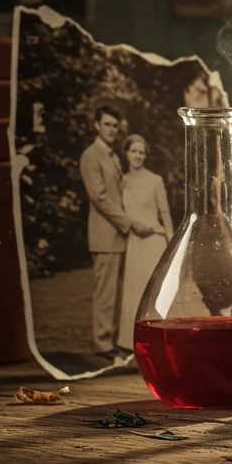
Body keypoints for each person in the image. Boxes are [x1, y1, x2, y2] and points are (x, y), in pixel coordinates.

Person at [78, 106, 155, 359]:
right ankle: (102, 345)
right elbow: (100, 198)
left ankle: (112, 341)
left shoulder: (111, 156)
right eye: (107, 124)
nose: (111, 129)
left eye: (114, 125)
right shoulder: (91, 155)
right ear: (96, 125)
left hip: (119, 236)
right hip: (105, 235)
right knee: (106, 294)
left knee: (118, 293)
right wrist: (131, 223)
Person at [116, 134, 173, 349]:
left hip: (153, 241)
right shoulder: (122, 181)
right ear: (127, 153)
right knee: (133, 289)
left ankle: (158, 339)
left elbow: (165, 214)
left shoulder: (155, 180)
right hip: (133, 241)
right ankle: (129, 342)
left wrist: (171, 245)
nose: (137, 156)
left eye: (141, 152)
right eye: (134, 151)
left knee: (152, 290)